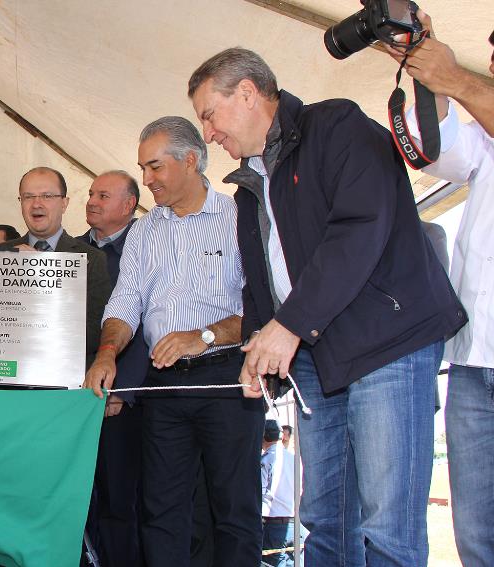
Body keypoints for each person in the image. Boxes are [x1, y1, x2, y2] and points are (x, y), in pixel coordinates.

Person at [188, 47, 466, 565]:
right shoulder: (248, 187)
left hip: (388, 345)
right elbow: (261, 282)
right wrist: (258, 346)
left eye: (209, 115)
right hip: (315, 358)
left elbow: (360, 228)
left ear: (246, 93)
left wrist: (288, 326)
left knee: (387, 527)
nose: (208, 134)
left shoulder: (335, 125)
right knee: (325, 516)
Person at [85, 116, 261, 567]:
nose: (147, 180)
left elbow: (263, 307)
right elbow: (125, 304)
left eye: (155, 167)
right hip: (160, 384)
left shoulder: (240, 216)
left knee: (233, 511)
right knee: (160, 511)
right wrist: (107, 352)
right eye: (142, 168)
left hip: (227, 380)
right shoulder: (145, 231)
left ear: (190, 160)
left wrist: (203, 336)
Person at [391, 16, 494, 565]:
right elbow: (440, 153)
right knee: (477, 538)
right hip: (476, 362)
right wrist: (424, 68)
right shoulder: (485, 119)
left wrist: (459, 80)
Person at [80, 170, 147, 566]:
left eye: (103, 195)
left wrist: (126, 388)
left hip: (121, 399)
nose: (91, 201)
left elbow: (150, 323)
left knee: (120, 502)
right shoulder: (73, 249)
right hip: (74, 397)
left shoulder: (145, 246)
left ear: (128, 205)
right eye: (90, 193)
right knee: (78, 500)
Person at [0, 166, 112, 358]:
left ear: (64, 204)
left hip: (63, 378)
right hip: (8, 372)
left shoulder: (92, 260)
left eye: (47, 196)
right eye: (28, 197)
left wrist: (41, 274)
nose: (36, 204)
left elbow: (94, 334)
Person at [261, 420, 296, 567]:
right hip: (294, 522)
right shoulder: (292, 458)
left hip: (273, 523)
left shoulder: (265, 460)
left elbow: (260, 491)